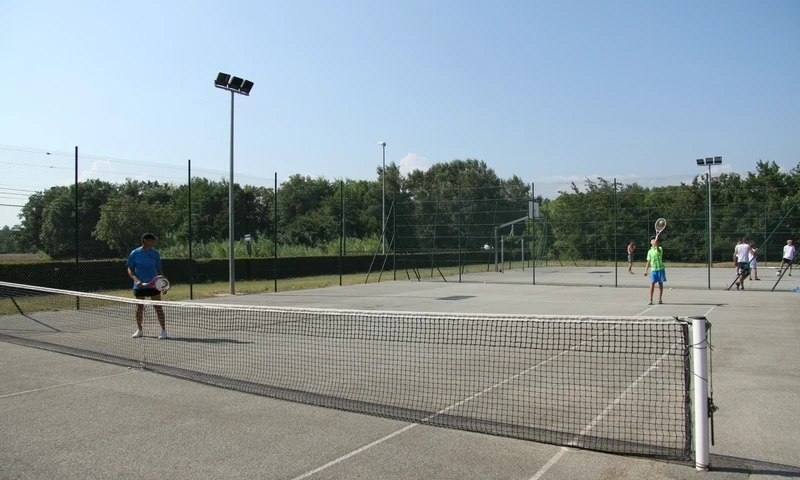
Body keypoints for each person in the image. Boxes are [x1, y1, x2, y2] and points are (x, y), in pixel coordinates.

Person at [126, 233, 167, 339]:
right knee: (139, 308)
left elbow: (159, 269)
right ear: (145, 240)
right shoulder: (134, 253)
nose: (153, 242)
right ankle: (140, 330)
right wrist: (136, 280)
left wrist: (162, 284)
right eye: (151, 240)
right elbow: (130, 268)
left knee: (158, 307)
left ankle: (163, 331)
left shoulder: (155, 253)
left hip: (154, 286)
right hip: (140, 286)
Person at [643, 236, 666, 305]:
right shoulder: (649, 251)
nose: (653, 240)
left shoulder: (660, 248)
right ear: (650, 242)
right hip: (653, 270)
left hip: (660, 269)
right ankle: (650, 299)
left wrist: (657, 245)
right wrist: (645, 271)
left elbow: (658, 250)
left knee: (660, 284)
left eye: (654, 239)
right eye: (652, 240)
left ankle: (660, 299)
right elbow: (648, 261)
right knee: (652, 284)